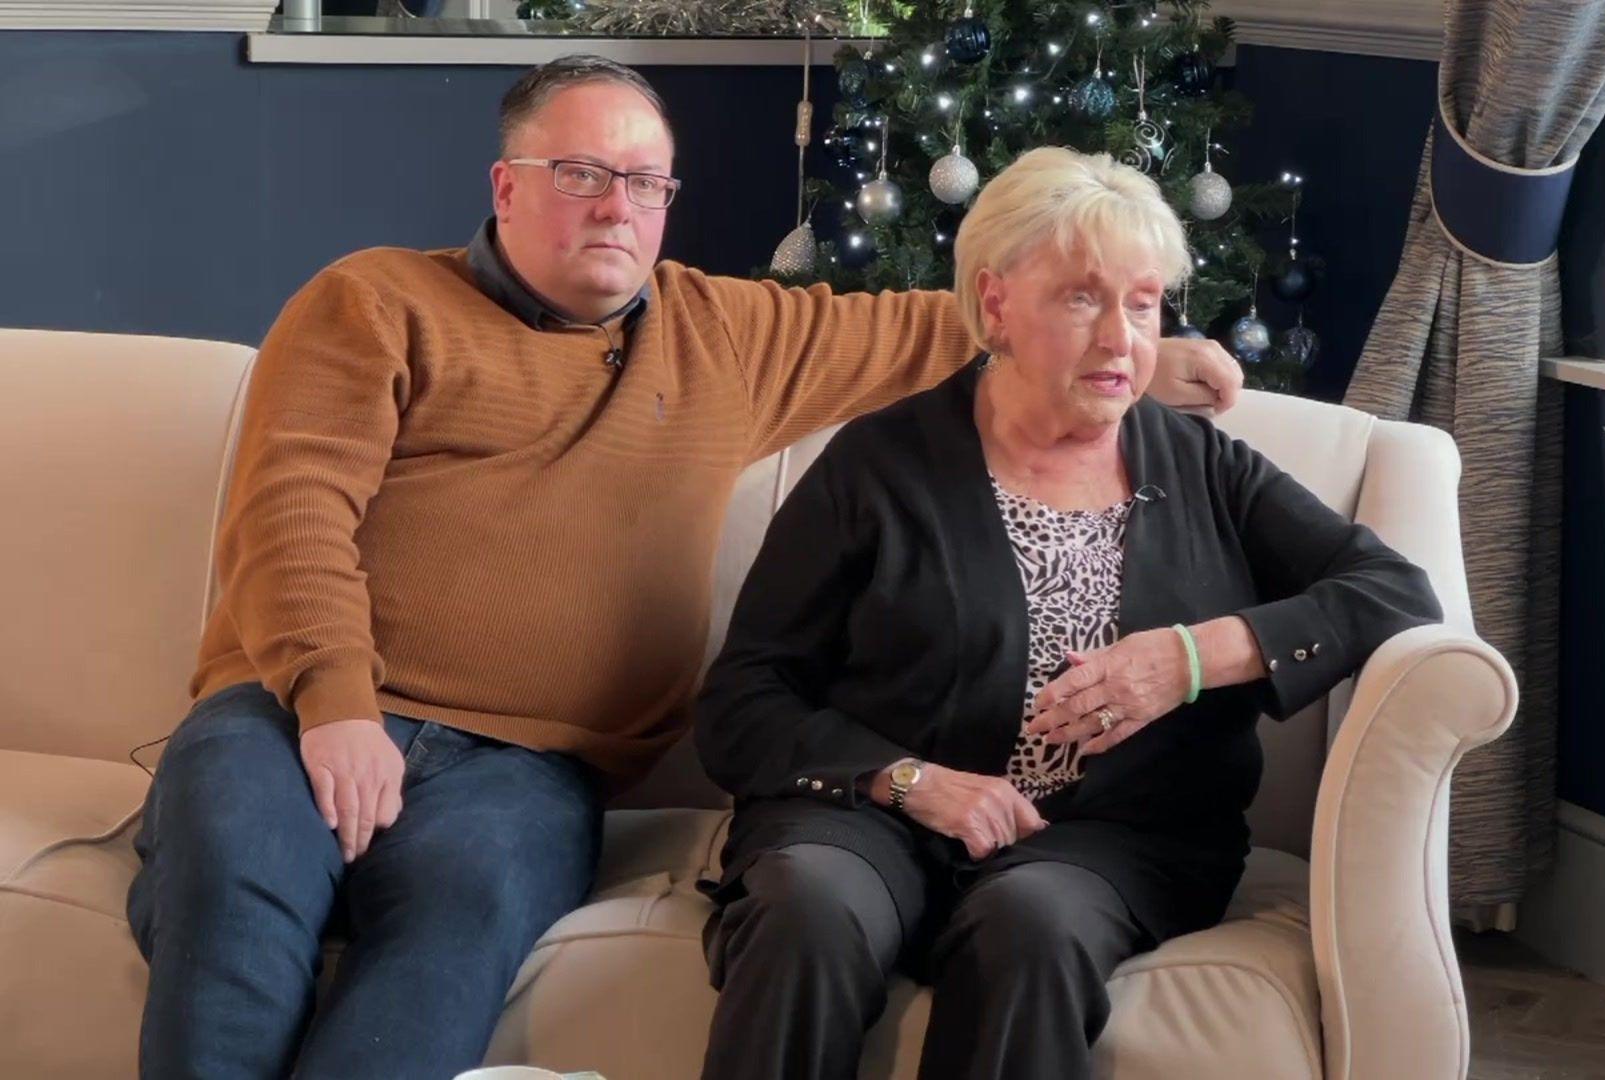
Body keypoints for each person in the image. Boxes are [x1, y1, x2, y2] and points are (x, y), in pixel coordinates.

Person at [123, 57, 1243, 1080]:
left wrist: (1134, 355)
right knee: (234, 884)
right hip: (291, 714)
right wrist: (335, 705)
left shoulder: (724, 334)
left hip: (530, 769)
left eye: (647, 183)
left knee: (456, 928)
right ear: (506, 187)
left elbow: (935, 327)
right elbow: (294, 510)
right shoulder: (375, 302)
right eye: (580, 173)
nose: (618, 205)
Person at [693, 146, 1443, 1080]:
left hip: (1114, 839)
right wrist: (909, 781)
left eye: (1143, 302)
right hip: (869, 819)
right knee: (807, 906)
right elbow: (745, 698)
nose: (1123, 339)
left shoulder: (1207, 467)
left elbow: (1395, 593)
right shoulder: (878, 466)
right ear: (996, 303)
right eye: (1083, 298)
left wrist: (1196, 656)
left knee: (1030, 926)